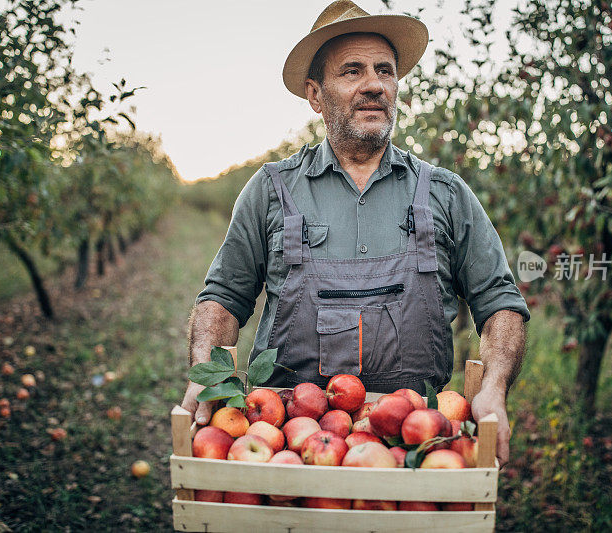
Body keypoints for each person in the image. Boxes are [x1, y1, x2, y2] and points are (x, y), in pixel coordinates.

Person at [182, 0, 529, 466]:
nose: (374, 85)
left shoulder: (445, 194)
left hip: (417, 440)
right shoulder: (271, 190)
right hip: (287, 442)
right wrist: (207, 376)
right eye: (352, 71)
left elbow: (500, 303)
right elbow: (223, 298)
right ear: (315, 94)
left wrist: (493, 388)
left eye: (385, 71)